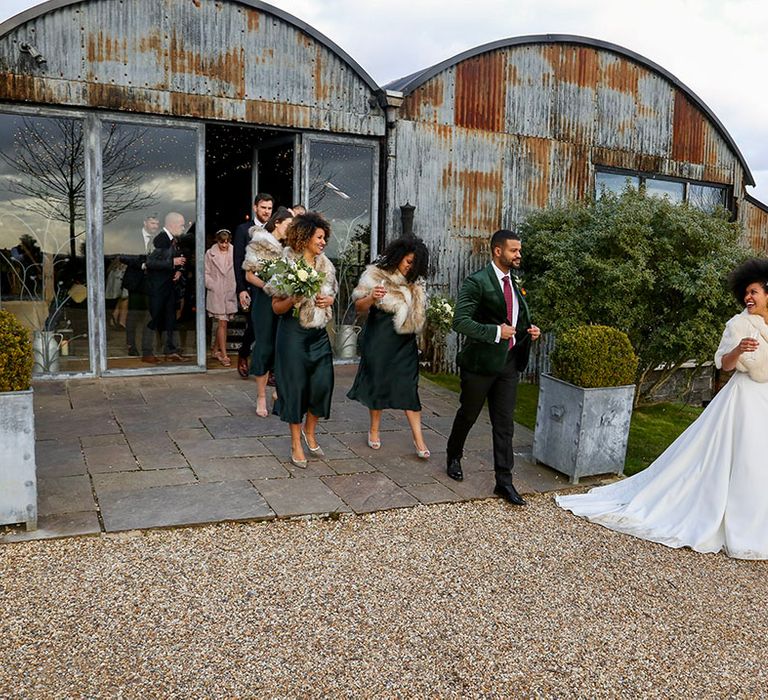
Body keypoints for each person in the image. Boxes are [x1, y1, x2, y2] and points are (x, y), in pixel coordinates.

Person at [557, 258, 768, 559]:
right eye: (746, 293)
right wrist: (738, 350)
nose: (749, 298)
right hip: (743, 399)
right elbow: (725, 365)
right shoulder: (738, 325)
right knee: (740, 459)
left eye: (754, 292)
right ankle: (730, 520)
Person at [445, 229, 541, 505]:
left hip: (508, 364)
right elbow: (460, 322)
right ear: (497, 251)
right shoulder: (477, 282)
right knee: (468, 414)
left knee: (504, 424)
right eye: (514, 250)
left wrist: (528, 331)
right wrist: (497, 333)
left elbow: (514, 319)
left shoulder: (515, 283)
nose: (518, 254)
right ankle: (454, 455)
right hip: (480, 364)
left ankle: (504, 481)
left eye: (519, 250)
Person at [347, 236, 431, 458]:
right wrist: (372, 298)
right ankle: (374, 429)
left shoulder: (416, 283)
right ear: (398, 256)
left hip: (405, 343)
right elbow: (358, 307)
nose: (409, 266)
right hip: (380, 340)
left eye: (415, 263)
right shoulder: (376, 275)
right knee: (378, 384)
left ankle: (418, 439)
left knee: (409, 387)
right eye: (408, 261)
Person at [268, 212, 337, 468]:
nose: (323, 242)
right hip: (293, 335)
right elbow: (276, 307)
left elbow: (332, 295)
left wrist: (329, 300)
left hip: (318, 334)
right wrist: (293, 299)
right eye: (319, 237)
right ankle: (296, 443)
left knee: (322, 385)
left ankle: (310, 431)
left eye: (324, 238)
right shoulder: (286, 265)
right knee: (295, 389)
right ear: (306, 236)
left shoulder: (326, 266)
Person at [243, 206, 293, 416]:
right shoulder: (259, 242)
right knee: (264, 346)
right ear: (278, 222)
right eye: (289, 225)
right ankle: (261, 396)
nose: (291, 229)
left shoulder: (290, 248)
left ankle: (279, 393)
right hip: (264, 302)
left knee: (282, 347)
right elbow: (249, 276)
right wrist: (268, 287)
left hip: (283, 301)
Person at [233, 193, 275, 378]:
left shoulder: (275, 229)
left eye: (269, 208)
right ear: (255, 208)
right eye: (263, 207)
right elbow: (237, 261)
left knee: (271, 327)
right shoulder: (243, 230)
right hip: (251, 285)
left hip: (271, 286)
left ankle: (271, 369)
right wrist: (241, 289)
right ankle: (243, 353)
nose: (266, 211)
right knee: (254, 326)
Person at [145, 212, 188, 363]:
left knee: (170, 319)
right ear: (172, 224)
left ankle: (171, 350)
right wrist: (172, 263)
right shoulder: (160, 239)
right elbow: (150, 262)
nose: (184, 228)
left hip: (169, 287)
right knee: (154, 318)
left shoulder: (173, 240)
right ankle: (147, 352)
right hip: (157, 288)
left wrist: (177, 270)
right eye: (182, 225)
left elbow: (177, 261)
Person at [121, 213, 159, 358]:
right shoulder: (132, 237)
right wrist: (142, 265)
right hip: (136, 284)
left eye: (157, 224)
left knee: (150, 316)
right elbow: (123, 256)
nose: (155, 226)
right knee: (133, 317)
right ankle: (131, 346)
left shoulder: (159, 239)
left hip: (153, 284)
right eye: (152, 223)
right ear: (145, 222)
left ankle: (147, 349)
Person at [204, 229, 237, 367]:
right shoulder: (210, 254)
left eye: (227, 242)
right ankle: (224, 355)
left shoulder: (234, 252)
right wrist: (213, 285)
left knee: (223, 323)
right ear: (216, 241)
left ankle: (215, 350)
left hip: (229, 291)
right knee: (222, 323)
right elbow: (205, 272)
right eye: (221, 242)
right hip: (217, 293)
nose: (224, 245)